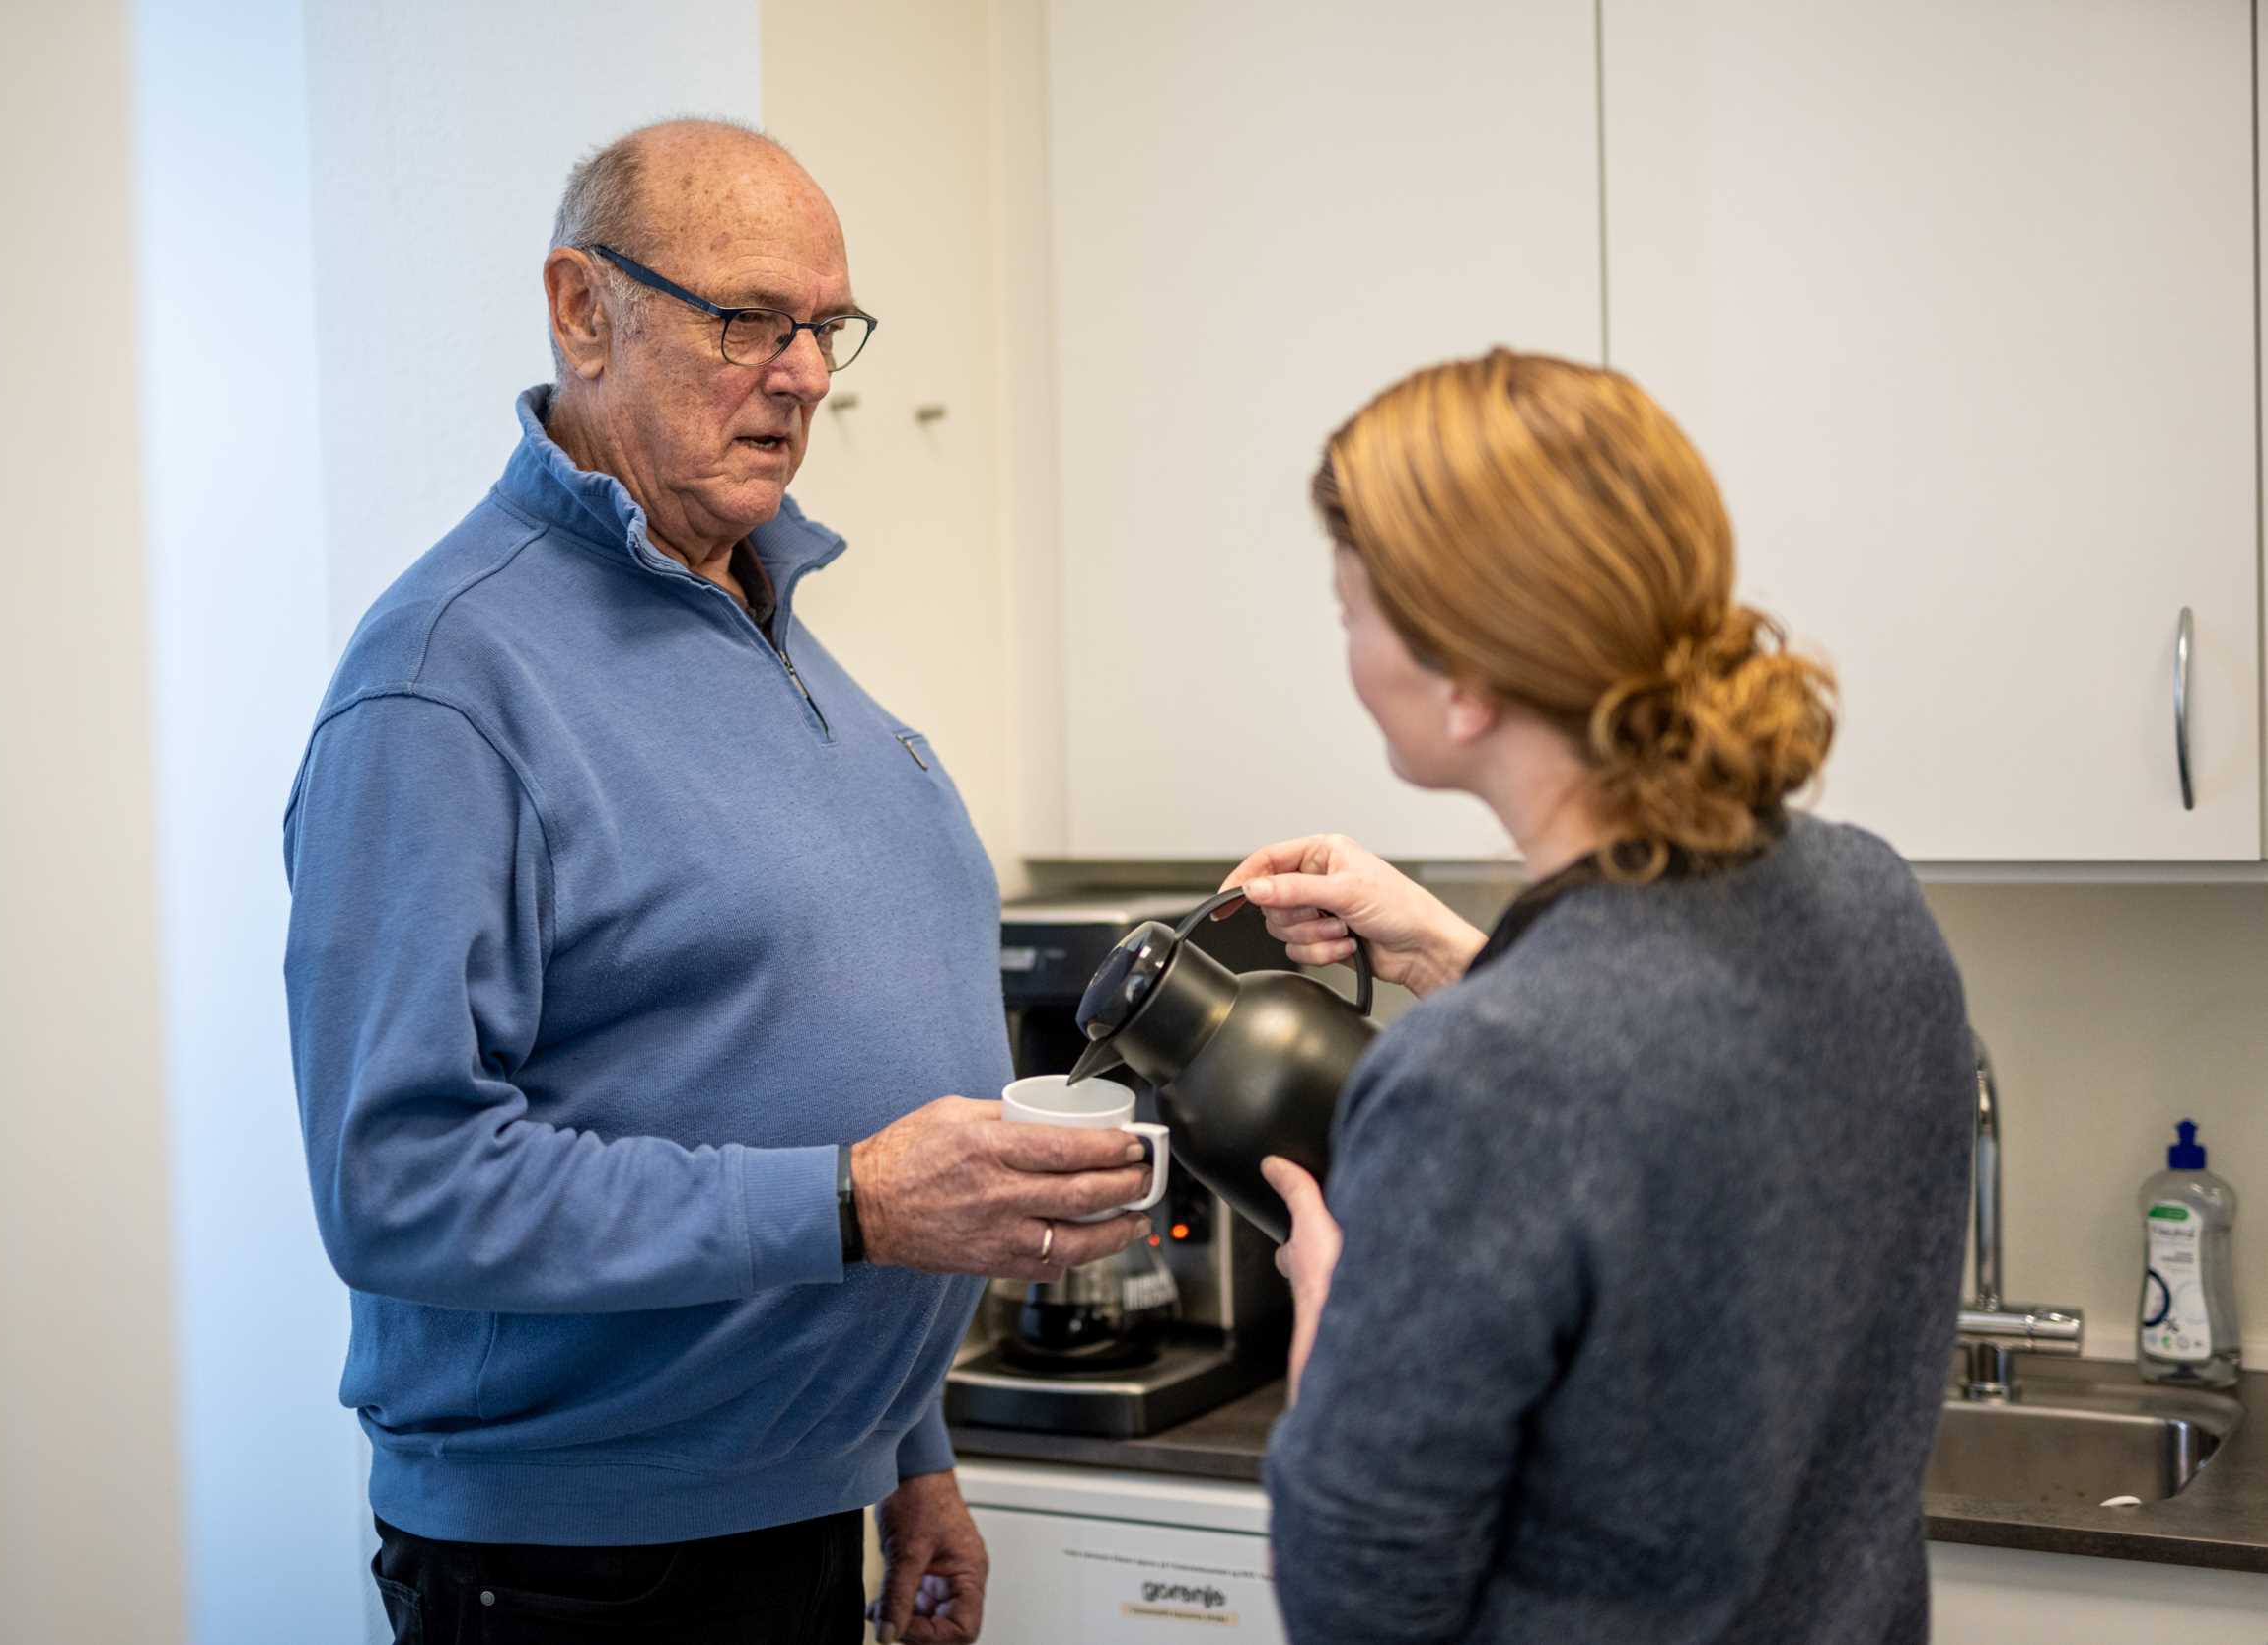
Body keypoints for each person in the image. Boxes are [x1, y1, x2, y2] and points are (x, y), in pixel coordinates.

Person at [281, 119, 1151, 1645]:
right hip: (583, 1573)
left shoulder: (772, 620)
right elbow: (398, 1184)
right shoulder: (444, 683)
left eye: (827, 327)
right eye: (751, 318)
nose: (808, 372)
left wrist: (905, 1456)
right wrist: (858, 1201)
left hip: (802, 1513)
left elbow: (772, 1053)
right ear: (581, 308)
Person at [1225, 349, 1974, 1645]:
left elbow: (1359, 1602)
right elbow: (1676, 1070)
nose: (1346, 646)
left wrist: (1334, 1311)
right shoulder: (1872, 902)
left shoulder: (1483, 1078)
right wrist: (1450, 954)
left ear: (1462, 680)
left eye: (1351, 610)